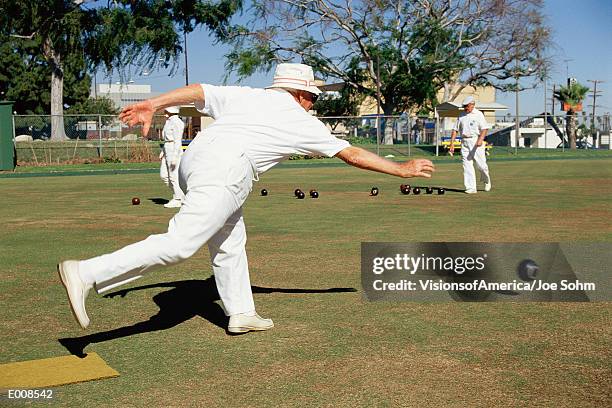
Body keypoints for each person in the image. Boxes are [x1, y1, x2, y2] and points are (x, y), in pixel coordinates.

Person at [57, 63, 435, 334]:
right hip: (227, 168)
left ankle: (241, 312)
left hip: (195, 160)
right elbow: (350, 154)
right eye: (313, 97)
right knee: (181, 244)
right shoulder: (300, 119)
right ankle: (87, 272)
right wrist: (400, 169)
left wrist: (153, 103)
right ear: (303, 95)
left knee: (230, 242)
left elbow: (199, 91)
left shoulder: (247, 96)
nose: (313, 104)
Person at [449, 96, 492, 194]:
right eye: (464, 106)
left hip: (476, 141)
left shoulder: (478, 114)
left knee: (481, 166)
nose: (465, 108)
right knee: (467, 165)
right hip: (464, 142)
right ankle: (471, 187)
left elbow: (484, 128)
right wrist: (452, 144)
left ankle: (486, 180)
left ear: (472, 105)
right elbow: (455, 130)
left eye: (467, 106)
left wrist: (481, 139)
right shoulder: (461, 115)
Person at [159, 106, 185, 208]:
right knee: (164, 175)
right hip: (167, 148)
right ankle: (179, 195)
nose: (164, 111)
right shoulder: (168, 122)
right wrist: (163, 151)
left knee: (173, 176)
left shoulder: (177, 122)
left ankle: (178, 199)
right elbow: (166, 139)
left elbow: (178, 141)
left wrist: (175, 156)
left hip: (174, 149)